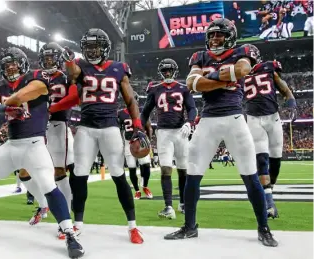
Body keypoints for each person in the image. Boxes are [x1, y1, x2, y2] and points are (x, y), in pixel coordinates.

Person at [0, 47, 84, 259]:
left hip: (34, 145)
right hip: (11, 145)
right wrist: (3, 109)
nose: (11, 67)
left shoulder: (36, 76)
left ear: (23, 63)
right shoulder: (1, 85)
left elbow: (32, 91)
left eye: (14, 63)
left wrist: (6, 102)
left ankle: (69, 233)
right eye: (7, 65)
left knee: (48, 185)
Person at [163, 18, 278, 247]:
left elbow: (242, 70)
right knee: (193, 175)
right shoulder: (200, 56)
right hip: (207, 120)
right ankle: (190, 226)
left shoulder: (243, 51)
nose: (215, 38)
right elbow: (191, 84)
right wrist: (224, 78)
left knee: (250, 175)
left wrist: (209, 78)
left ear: (231, 36)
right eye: (212, 34)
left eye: (220, 35)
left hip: (235, 118)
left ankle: (263, 228)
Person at [50, 28, 147, 244]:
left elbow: (130, 100)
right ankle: (78, 224)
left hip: (110, 127)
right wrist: (68, 62)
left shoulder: (119, 68)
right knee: (79, 175)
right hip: (86, 128)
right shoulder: (81, 66)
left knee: (118, 175)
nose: (92, 51)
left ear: (104, 47)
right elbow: (74, 73)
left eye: (95, 47)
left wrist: (138, 126)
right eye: (88, 47)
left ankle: (133, 226)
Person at [141, 58, 197, 218]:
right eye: (164, 70)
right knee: (166, 169)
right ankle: (168, 206)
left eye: (169, 70)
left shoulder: (183, 88)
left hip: (181, 131)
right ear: (161, 72)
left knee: (183, 170)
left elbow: (192, 108)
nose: (167, 73)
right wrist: (139, 128)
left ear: (174, 71)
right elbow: (145, 112)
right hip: (164, 133)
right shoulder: (155, 89)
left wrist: (189, 122)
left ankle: (183, 203)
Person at [244, 57, 296, 219]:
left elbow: (282, 85)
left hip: (273, 118)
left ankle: (269, 189)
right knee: (261, 160)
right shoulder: (239, 73)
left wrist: (291, 101)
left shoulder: (268, 68)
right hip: (253, 118)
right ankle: (269, 203)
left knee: (276, 161)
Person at [39, 43, 75, 239]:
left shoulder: (66, 77)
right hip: (37, 128)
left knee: (59, 171)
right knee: (30, 170)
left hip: (57, 125)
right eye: (45, 59)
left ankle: (66, 217)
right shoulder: (36, 77)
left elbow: (74, 97)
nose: (48, 62)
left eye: (52, 58)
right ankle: (42, 205)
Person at [118, 94, 153, 200]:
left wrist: (149, 141)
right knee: (132, 168)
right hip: (129, 143)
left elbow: (149, 127)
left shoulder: (142, 113)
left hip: (141, 141)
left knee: (146, 165)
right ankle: (137, 191)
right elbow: (118, 128)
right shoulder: (120, 113)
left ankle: (145, 187)